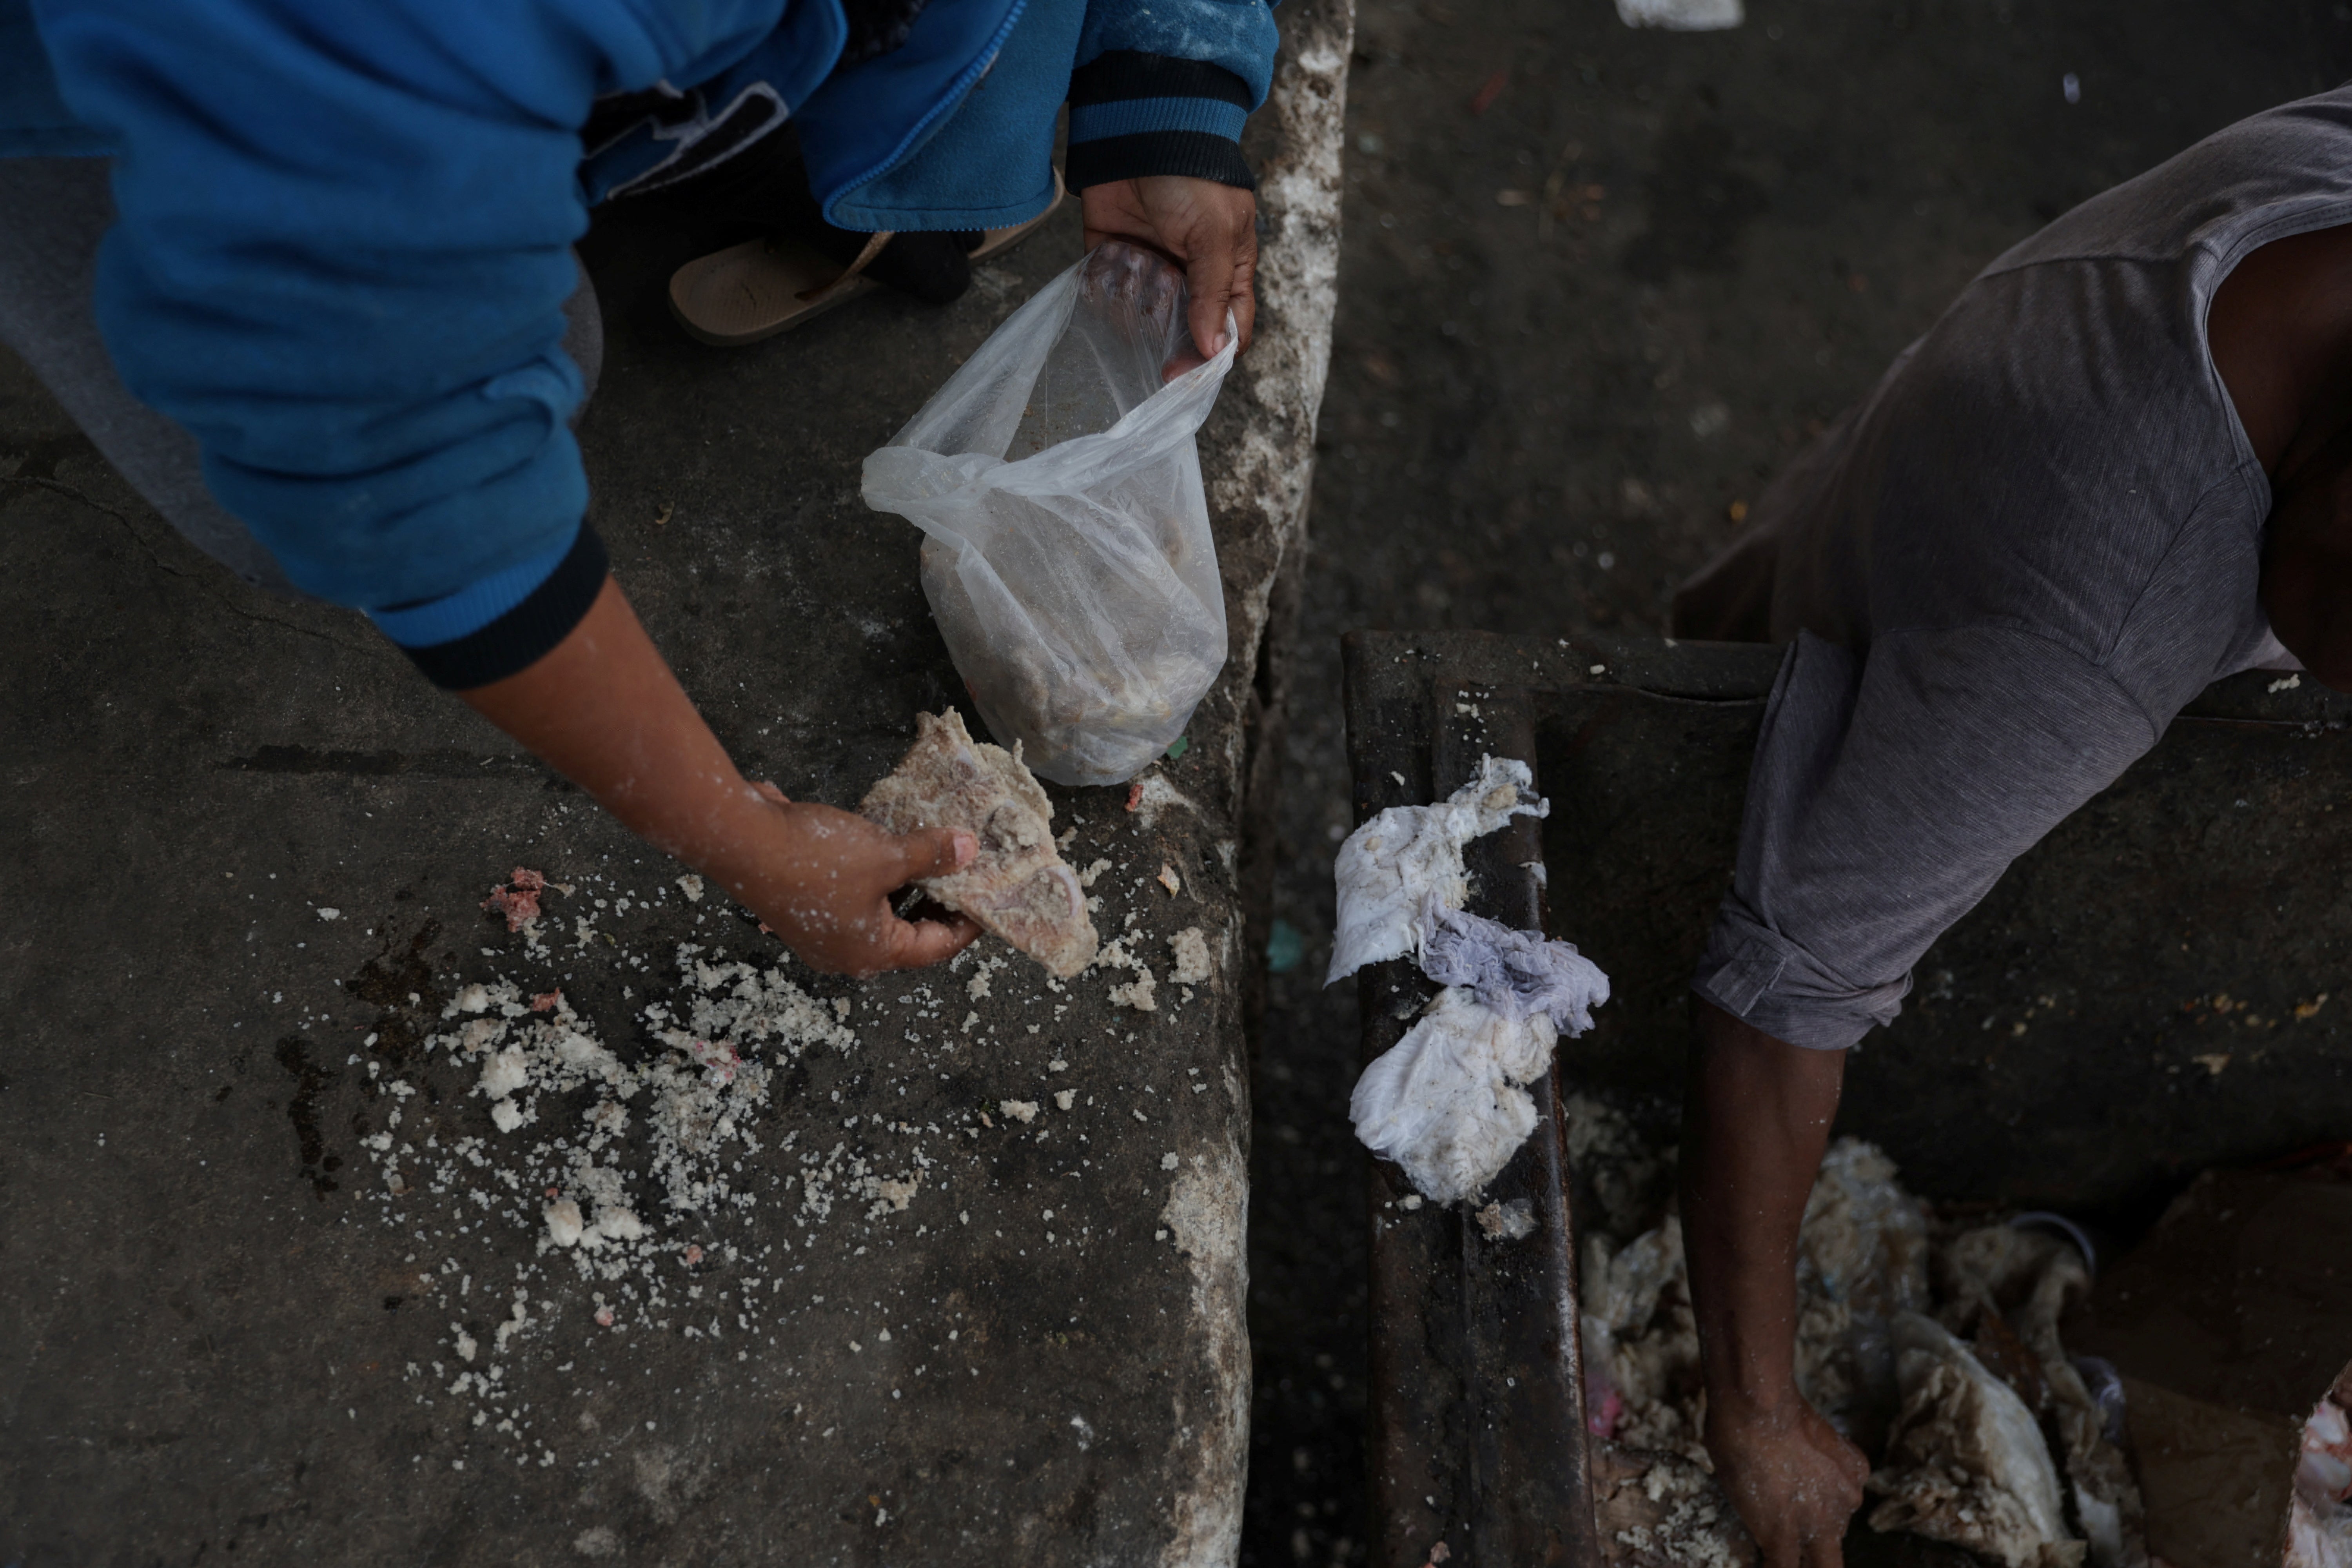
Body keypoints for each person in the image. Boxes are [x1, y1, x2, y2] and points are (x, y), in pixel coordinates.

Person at [0, 0, 1274, 975]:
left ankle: (802, 150)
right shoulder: (342, 63)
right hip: (117, 72)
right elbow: (387, 448)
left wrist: (1171, 89)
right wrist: (741, 841)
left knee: (927, 151)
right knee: (316, 468)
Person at [1666, 85, 2352, 1563]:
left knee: (1765, 619)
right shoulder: (2092, 627)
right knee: (1739, 778)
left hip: (1964, 421)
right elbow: (1778, 1008)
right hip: (2004, 539)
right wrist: (1762, 1420)